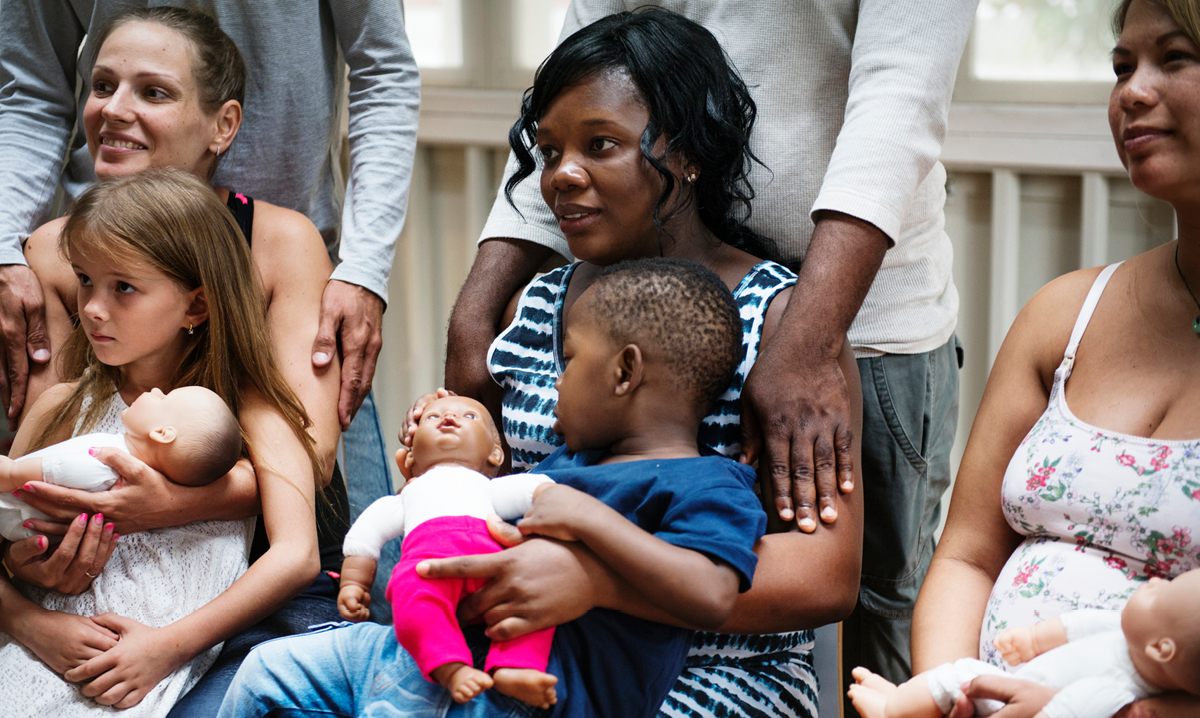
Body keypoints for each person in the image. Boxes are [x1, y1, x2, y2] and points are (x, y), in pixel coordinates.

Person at [445, 0, 973, 695]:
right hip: (547, 671)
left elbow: (823, 577)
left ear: (689, 154)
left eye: (599, 145)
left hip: (721, 674)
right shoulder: (534, 309)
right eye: (548, 153)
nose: (561, 175)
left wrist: (596, 580)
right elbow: (487, 503)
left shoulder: (778, 326)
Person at [0, 0, 417, 623]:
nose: (113, 110)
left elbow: (308, 467)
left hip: (258, 567)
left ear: (223, 126)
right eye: (102, 86)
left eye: (154, 92)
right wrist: (32, 588)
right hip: (102, 579)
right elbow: (44, 475)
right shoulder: (51, 253)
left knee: (376, 601)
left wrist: (166, 505)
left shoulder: (280, 246)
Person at [219, 258, 769, 718]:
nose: (556, 383)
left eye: (569, 361)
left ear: (624, 372)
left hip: (522, 696)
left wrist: (588, 519)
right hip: (420, 651)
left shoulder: (709, 484)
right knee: (267, 670)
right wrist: (441, 457)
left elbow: (712, 594)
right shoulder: (567, 463)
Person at [910, 2, 1200, 717]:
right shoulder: (1066, 313)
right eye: (1122, 67)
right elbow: (966, 556)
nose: (1132, 91)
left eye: (1175, 57)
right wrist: (950, 699)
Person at [0, 168, 325, 717]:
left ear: (196, 306)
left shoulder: (250, 410)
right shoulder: (60, 406)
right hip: (42, 650)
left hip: (158, 664)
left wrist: (166, 649)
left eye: (123, 287)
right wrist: (33, 619)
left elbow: (297, 556)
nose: (92, 308)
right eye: (85, 280)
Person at [337, 394, 558, 708]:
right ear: (410, 458)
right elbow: (365, 536)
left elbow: (540, 492)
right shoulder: (409, 494)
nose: (449, 418)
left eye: (469, 416)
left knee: (535, 592)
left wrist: (553, 499)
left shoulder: (490, 487)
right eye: (432, 417)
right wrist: (353, 584)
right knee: (410, 595)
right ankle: (451, 668)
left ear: (495, 454)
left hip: (493, 568)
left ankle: (516, 665)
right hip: (427, 569)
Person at [851, 569, 1200, 718]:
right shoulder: (1124, 631)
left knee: (960, 675)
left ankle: (892, 710)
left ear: (1160, 649)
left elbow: (1063, 712)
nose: (1155, 581)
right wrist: (1033, 640)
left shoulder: (1115, 689)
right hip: (1015, 681)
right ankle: (905, 700)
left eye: (1160, 594)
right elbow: (1078, 625)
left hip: (1009, 703)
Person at [0, 386, 241, 541]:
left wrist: (12, 472)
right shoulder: (122, 459)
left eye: (163, 398)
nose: (156, 390)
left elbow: (65, 468)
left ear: (161, 433)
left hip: (9, 506)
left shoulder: (107, 466)